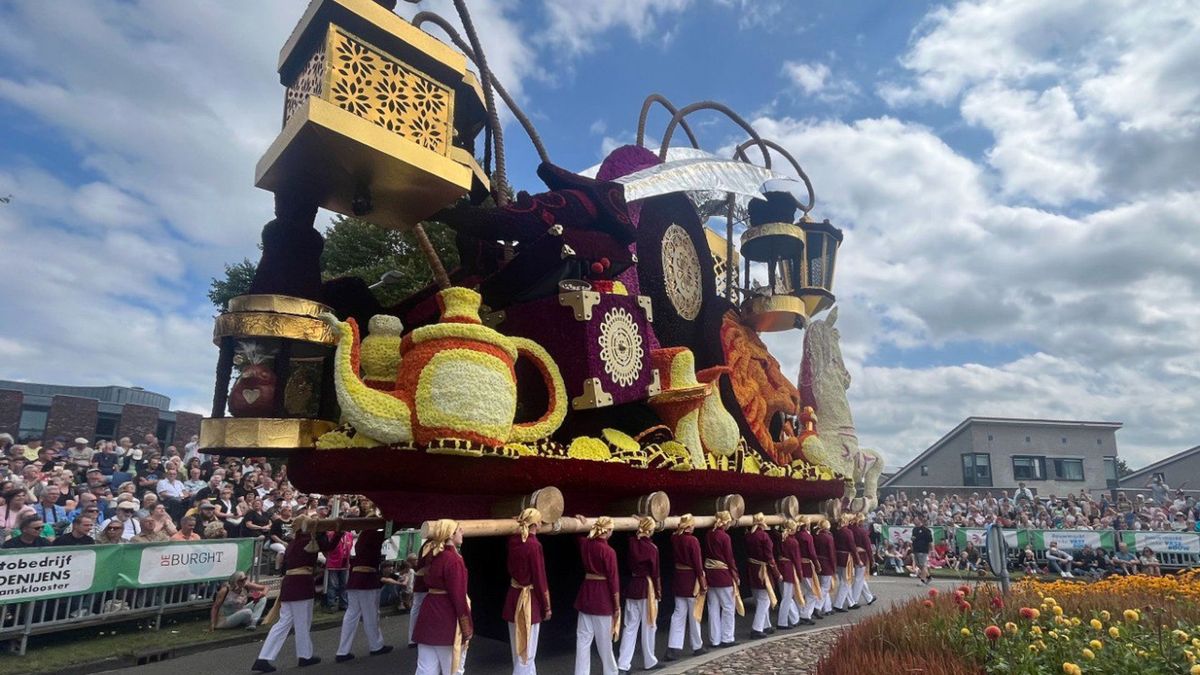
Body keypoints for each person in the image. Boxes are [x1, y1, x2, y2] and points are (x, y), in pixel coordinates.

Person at [251, 514, 336, 673]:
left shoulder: (293, 542)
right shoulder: (307, 541)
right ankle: (304, 655)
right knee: (303, 621)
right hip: (301, 584)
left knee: (283, 623)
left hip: (291, 584)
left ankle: (264, 657)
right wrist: (336, 532)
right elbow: (328, 547)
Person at [412, 519, 472, 675]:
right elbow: (459, 597)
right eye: (459, 529)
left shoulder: (432, 555)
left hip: (428, 615)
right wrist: (466, 626)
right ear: (450, 535)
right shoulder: (454, 560)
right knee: (453, 669)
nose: (462, 532)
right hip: (447, 619)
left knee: (425, 669)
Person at [502, 508, 551, 675]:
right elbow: (540, 578)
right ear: (536, 523)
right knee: (527, 653)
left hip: (513, 598)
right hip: (528, 602)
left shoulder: (513, 542)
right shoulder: (534, 545)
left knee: (517, 650)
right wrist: (546, 606)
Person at [335, 527, 393, 662]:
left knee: (351, 615)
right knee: (371, 614)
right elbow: (390, 530)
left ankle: (342, 651)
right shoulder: (373, 536)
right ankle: (376, 645)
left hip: (355, 579)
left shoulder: (362, 539)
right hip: (367, 580)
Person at [573, 515, 619, 675]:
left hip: (586, 595)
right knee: (605, 642)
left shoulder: (586, 544)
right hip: (603, 599)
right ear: (607, 530)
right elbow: (613, 580)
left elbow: (579, 536)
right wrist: (617, 606)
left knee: (583, 639)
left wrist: (583, 523)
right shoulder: (609, 551)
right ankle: (611, 672)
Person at [617, 515, 660, 674]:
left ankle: (623, 664)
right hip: (647, 588)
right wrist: (658, 592)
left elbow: (631, 537)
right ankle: (649, 660)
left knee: (630, 627)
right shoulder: (652, 548)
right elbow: (655, 573)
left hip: (632, 586)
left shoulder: (631, 543)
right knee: (649, 625)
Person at [666, 514, 707, 660]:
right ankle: (697, 645)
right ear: (690, 526)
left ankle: (673, 647)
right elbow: (697, 563)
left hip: (679, 578)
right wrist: (702, 582)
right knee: (694, 614)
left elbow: (675, 534)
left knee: (678, 614)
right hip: (691, 579)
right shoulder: (693, 540)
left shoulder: (675, 538)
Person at [703, 510, 741, 648]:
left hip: (710, 574)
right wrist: (735, 573)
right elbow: (729, 557)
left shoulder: (708, 534)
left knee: (713, 607)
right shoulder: (725, 537)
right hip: (723, 575)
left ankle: (715, 639)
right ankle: (727, 637)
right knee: (728, 607)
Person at [744, 512, 781, 637]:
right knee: (764, 600)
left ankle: (766, 625)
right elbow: (770, 558)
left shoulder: (749, 535)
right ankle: (757, 628)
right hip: (763, 570)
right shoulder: (764, 536)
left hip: (752, 569)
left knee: (758, 597)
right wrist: (777, 573)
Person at [775, 519, 804, 629]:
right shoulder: (793, 542)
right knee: (787, 597)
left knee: (785, 596)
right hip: (788, 569)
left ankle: (794, 618)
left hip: (780, 566)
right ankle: (782, 622)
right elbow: (796, 559)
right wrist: (800, 573)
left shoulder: (781, 539)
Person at [794, 518, 822, 623]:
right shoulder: (807, 537)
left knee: (800, 591)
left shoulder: (796, 536)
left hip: (797, 566)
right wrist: (817, 564)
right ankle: (805, 614)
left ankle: (799, 612)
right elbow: (812, 553)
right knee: (813, 592)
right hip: (806, 566)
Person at [831, 515, 860, 612]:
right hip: (846, 558)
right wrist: (858, 559)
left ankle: (851, 602)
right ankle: (838, 604)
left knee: (843, 581)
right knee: (846, 582)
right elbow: (852, 546)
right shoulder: (848, 532)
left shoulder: (836, 531)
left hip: (837, 556)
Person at [812, 519, 837, 617]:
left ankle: (827, 607)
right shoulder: (828, 537)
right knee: (825, 587)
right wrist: (833, 566)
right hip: (826, 562)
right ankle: (817, 606)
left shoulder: (816, 535)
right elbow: (831, 553)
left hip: (819, 561)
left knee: (823, 586)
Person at [851, 514, 876, 606]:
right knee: (859, 578)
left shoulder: (850, 529)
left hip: (851, 555)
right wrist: (872, 559)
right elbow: (868, 546)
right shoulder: (862, 531)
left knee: (860, 578)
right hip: (861, 556)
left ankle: (869, 597)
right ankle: (854, 600)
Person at [911, 516, 933, 584]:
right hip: (916, 549)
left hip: (923, 550)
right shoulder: (914, 529)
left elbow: (930, 541)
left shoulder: (926, 530)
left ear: (920, 521)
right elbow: (913, 538)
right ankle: (929, 577)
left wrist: (931, 550)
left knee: (923, 565)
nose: (914, 521)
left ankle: (922, 580)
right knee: (918, 564)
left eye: (916, 520)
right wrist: (912, 539)